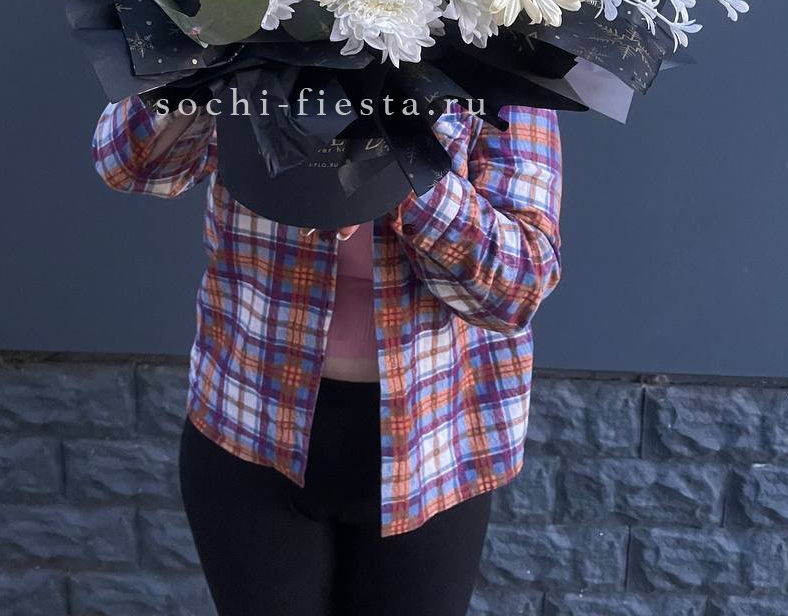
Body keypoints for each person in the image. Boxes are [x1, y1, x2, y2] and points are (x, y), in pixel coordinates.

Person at [92, 94, 563, 616]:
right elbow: (126, 163)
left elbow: (519, 285)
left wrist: (387, 164)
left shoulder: (496, 54)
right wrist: (204, 64)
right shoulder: (249, 50)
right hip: (250, 416)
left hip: (435, 439)